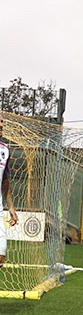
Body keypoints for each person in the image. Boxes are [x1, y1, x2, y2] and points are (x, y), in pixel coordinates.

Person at [0, 114, 18, 269]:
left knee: (1, 254)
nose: (1, 125)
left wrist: (10, 207)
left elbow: (5, 180)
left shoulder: (5, 150)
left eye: (1, 122)